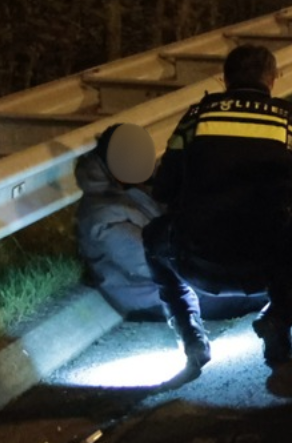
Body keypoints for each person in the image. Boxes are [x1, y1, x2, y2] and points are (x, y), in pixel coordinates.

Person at [147, 45, 292, 366]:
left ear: (224, 79)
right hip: (267, 265)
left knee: (152, 236)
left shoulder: (195, 118)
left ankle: (190, 336)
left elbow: (163, 190)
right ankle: (278, 320)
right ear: (273, 78)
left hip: (197, 261)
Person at [75, 123, 212, 370]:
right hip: (148, 296)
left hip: (166, 282)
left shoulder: (130, 190)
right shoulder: (102, 215)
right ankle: (192, 336)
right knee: (245, 287)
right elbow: (148, 262)